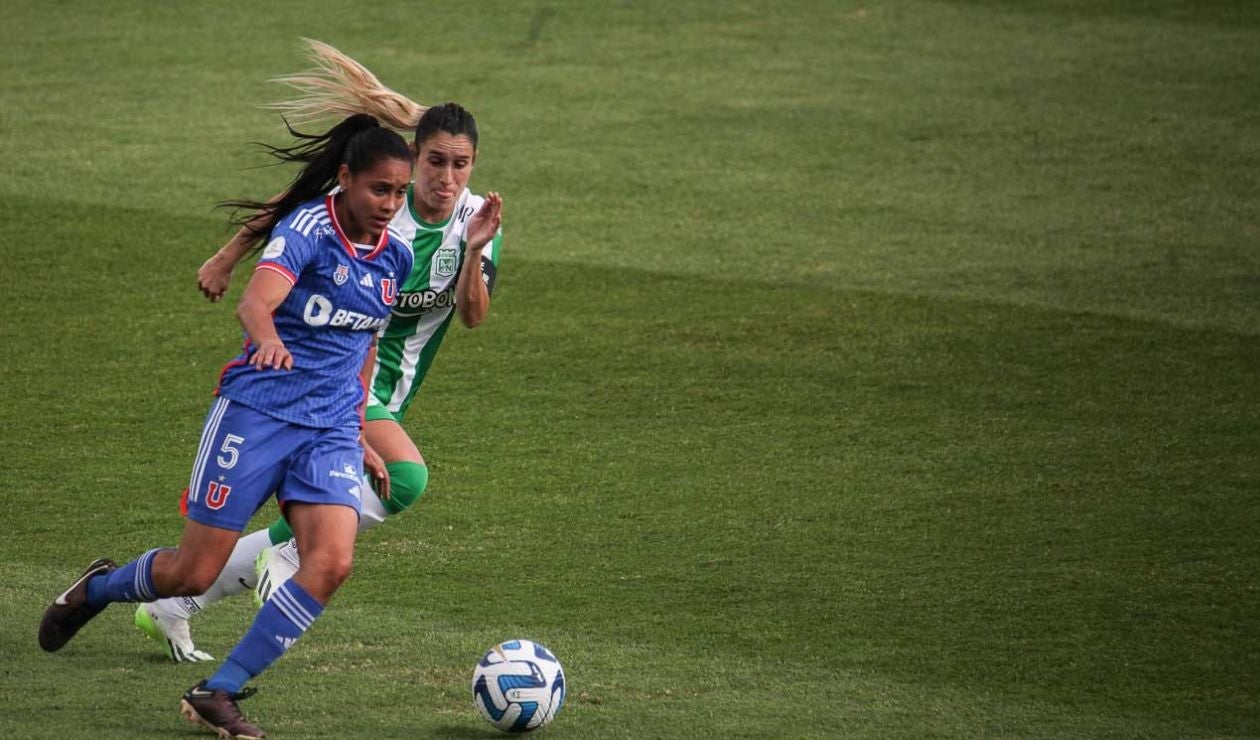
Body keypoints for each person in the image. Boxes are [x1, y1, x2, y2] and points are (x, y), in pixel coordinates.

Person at [39, 112, 430, 739]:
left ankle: (217, 690)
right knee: (191, 572)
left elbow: (362, 351)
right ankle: (98, 589)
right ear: (346, 179)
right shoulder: (307, 228)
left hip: (328, 427)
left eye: (398, 192)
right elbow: (256, 301)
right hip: (258, 413)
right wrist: (269, 339)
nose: (389, 204)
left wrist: (357, 432)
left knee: (330, 563)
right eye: (378, 189)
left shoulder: (397, 257)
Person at [132, 40, 506, 666]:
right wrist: (226, 257)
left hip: (384, 382)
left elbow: (472, 317)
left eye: (461, 165)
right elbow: (295, 215)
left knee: (365, 499)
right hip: (326, 375)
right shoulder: (380, 203)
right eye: (436, 162)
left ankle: (175, 605)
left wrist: (473, 250)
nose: (447, 179)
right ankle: (278, 557)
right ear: (413, 159)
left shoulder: (478, 219)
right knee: (405, 478)